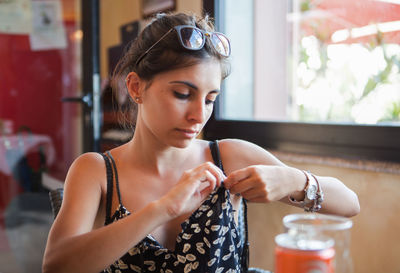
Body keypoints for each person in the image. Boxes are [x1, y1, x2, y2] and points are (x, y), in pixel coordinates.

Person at [42, 12, 360, 273]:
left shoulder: (228, 155)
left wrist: (293, 180)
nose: (199, 115)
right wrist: (163, 208)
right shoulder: (96, 171)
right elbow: (56, 265)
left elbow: (349, 205)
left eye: (210, 99)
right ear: (136, 87)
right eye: (182, 94)